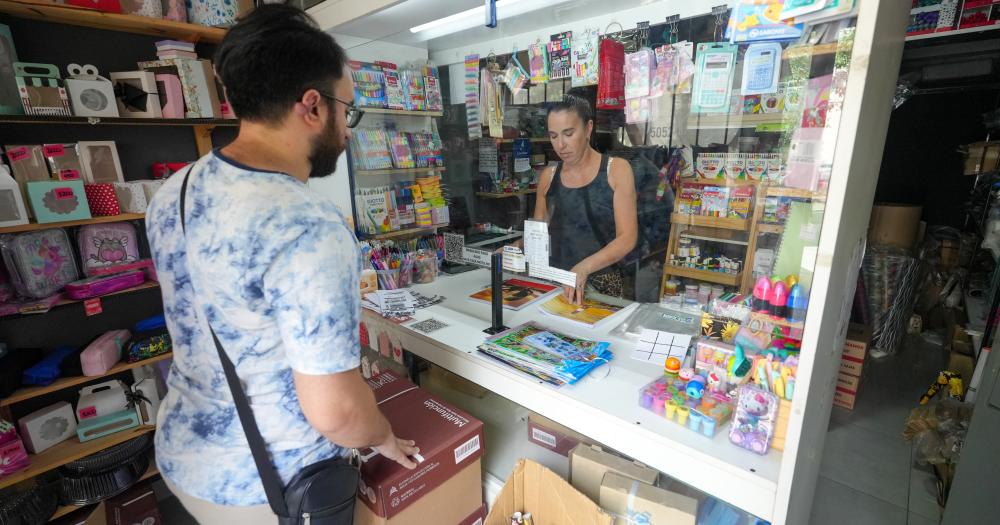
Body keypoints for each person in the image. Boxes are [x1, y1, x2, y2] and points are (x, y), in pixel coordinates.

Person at [146, 6, 417, 523]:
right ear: (312, 106)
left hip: (184, 456)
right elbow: (336, 412)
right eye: (349, 111)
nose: (348, 129)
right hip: (271, 486)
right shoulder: (308, 225)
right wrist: (381, 436)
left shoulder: (175, 190)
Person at [532, 93, 638, 304]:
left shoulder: (616, 170)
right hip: (556, 284)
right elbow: (538, 233)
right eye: (553, 136)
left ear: (588, 128)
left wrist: (584, 267)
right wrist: (517, 247)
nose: (560, 145)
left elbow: (627, 238)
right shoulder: (548, 177)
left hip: (601, 284)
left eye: (568, 133)